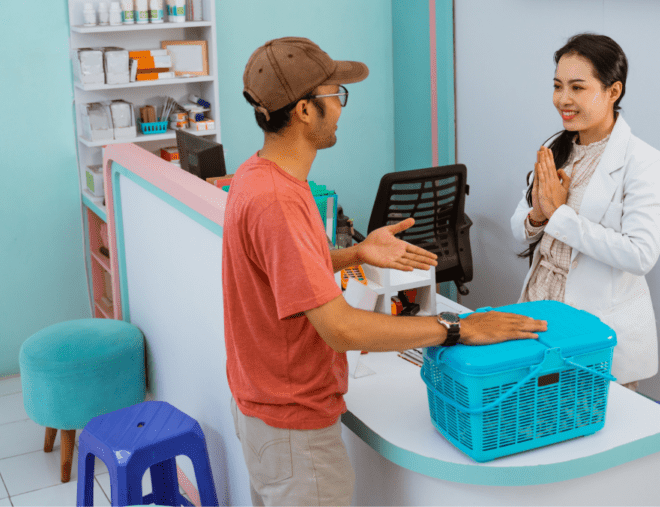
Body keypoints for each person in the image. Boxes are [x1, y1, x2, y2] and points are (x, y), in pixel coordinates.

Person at [223, 37, 547, 506]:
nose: (340, 108)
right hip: (295, 428)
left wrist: (354, 255)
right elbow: (339, 328)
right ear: (304, 111)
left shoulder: (255, 176)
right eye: (336, 95)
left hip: (266, 412)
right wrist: (457, 328)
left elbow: (280, 268)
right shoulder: (279, 201)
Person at [511, 33, 660, 391]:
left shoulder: (644, 162)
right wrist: (537, 216)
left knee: (590, 429)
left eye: (578, 88)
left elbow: (641, 255)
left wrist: (559, 215)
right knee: (541, 427)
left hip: (596, 328)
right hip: (542, 309)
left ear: (613, 92)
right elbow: (519, 226)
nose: (563, 99)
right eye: (557, 86)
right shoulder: (557, 147)